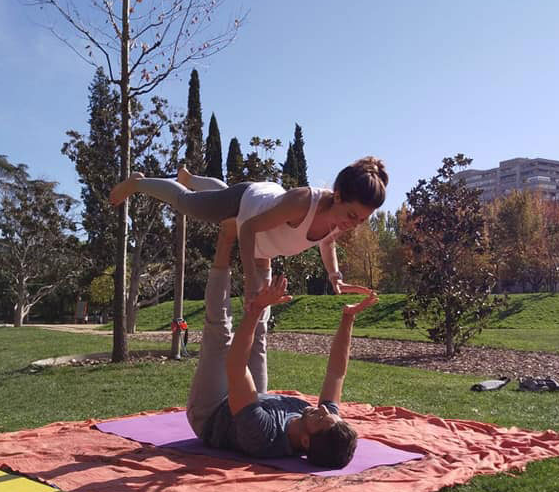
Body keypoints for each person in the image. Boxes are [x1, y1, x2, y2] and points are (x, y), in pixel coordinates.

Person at [110, 156, 387, 392]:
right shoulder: (302, 202)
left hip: (263, 232)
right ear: (337, 196)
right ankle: (138, 182)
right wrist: (251, 279)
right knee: (188, 203)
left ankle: (191, 176)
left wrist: (334, 274)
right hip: (246, 204)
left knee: (259, 327)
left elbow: (328, 241)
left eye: (362, 220)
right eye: (352, 215)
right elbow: (248, 229)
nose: (354, 224)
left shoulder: (339, 219)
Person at [186, 221, 378, 466]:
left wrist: (256, 308)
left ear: (306, 443)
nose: (324, 410)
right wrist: (347, 318)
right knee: (260, 335)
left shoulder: (264, 434)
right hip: (252, 400)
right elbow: (336, 373)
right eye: (329, 413)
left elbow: (235, 365)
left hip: (212, 412)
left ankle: (225, 237)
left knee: (220, 332)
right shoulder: (325, 422)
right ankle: (262, 248)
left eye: (321, 418)